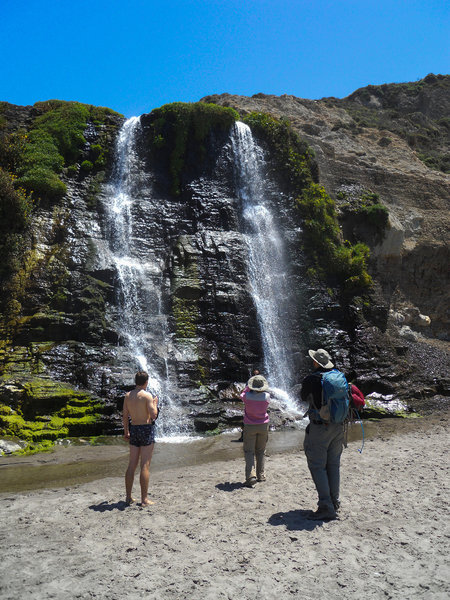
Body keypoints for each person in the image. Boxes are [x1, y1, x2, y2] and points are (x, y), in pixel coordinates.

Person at [301, 348, 345, 520]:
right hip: (338, 425)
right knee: (333, 465)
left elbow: (303, 396)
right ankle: (334, 502)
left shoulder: (312, 379)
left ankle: (325, 505)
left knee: (317, 466)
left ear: (315, 362)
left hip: (320, 427)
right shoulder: (338, 375)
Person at [122, 371, 158, 507]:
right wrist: (154, 403)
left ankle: (128, 497)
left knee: (132, 464)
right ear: (146, 382)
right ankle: (144, 499)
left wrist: (126, 431)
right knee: (145, 464)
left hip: (134, 428)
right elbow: (153, 415)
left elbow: (125, 416)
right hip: (146, 429)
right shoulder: (147, 395)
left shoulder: (128, 396)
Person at [242, 374, 271, 487]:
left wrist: (247, 388)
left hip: (250, 425)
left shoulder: (246, 396)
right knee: (261, 450)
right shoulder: (267, 396)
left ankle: (250, 476)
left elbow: (242, 394)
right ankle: (261, 475)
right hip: (263, 425)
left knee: (249, 451)